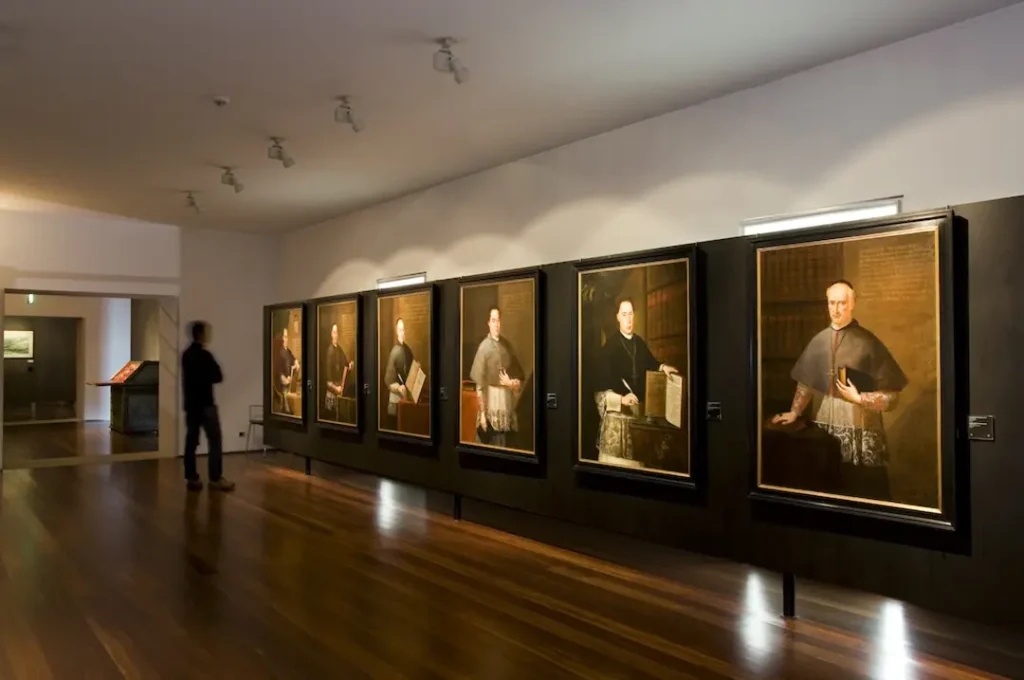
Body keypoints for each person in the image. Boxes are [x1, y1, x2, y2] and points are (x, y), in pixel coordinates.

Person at [771, 280, 907, 499]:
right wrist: (795, 412)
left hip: (862, 431)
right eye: (832, 303)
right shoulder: (819, 341)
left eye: (842, 303)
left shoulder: (869, 343)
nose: (836, 309)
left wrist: (860, 398)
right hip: (825, 430)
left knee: (863, 491)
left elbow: (893, 398)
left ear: (853, 303)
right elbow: (805, 382)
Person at [594, 298, 677, 465]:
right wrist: (621, 399)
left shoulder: (639, 343)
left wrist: (662, 367)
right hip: (616, 428)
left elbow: (651, 363)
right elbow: (598, 393)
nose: (628, 319)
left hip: (638, 425)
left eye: (631, 314)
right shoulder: (609, 348)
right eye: (624, 315)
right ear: (617, 317)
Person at [181, 321, 234, 491]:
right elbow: (218, 376)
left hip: (191, 405)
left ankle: (191, 477)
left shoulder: (186, 355)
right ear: (201, 335)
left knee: (191, 442)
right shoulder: (205, 356)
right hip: (206, 405)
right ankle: (215, 477)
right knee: (215, 441)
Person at [469, 307, 524, 448]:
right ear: (489, 323)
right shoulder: (483, 348)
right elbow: (479, 386)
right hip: (490, 409)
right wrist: (482, 414)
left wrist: (510, 383)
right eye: (493, 320)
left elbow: (519, 382)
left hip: (507, 407)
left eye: (498, 320)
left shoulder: (507, 346)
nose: (496, 324)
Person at [383, 318, 414, 430]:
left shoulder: (407, 350)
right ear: (397, 332)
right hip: (396, 401)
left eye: (403, 330)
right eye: (400, 330)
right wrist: (398, 388)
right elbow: (388, 380)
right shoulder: (394, 351)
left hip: (407, 399)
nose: (402, 332)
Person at [323, 323, 354, 418]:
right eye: (334, 332)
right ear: (331, 334)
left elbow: (345, 363)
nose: (336, 335)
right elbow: (328, 381)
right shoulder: (329, 351)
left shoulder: (339, 349)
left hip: (340, 392)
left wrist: (350, 365)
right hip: (332, 394)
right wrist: (336, 388)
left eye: (337, 332)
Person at [275, 325, 300, 415]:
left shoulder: (288, 351)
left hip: (290, 382)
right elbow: (278, 371)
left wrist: (296, 362)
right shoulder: (278, 352)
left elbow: (294, 359)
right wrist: (284, 379)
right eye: (284, 337)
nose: (286, 339)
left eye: (286, 337)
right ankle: (287, 409)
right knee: (285, 392)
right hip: (282, 384)